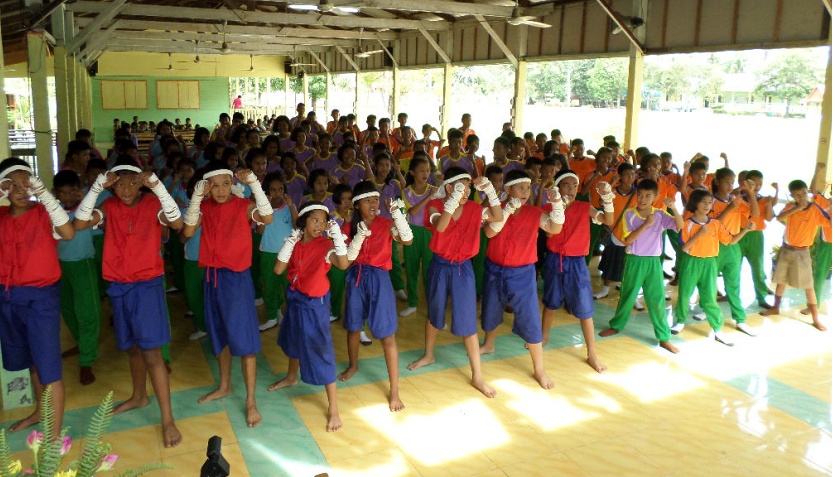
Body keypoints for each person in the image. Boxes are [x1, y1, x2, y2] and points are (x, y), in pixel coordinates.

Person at [73, 156, 183, 447]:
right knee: (133, 348)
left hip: (146, 287)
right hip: (119, 286)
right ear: (112, 185)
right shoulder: (108, 206)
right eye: (120, 184)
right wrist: (97, 188)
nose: (126, 189)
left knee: (152, 353)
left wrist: (158, 187)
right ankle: (139, 396)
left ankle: (168, 419)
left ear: (141, 183)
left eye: (133, 183)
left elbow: (177, 222)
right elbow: (80, 223)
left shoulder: (152, 203)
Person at [181, 161, 275, 428]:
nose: (221, 190)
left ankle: (251, 400)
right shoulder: (204, 207)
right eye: (215, 185)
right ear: (207, 187)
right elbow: (187, 231)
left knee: (245, 340)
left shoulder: (243, 206)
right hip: (212, 278)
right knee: (219, 334)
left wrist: (254, 183)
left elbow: (267, 218)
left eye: (226, 184)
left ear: (232, 184)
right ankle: (224, 385)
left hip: (237, 281)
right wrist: (196, 199)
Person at [406, 167, 503, 398]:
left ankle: (477, 376)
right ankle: (429, 354)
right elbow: (440, 226)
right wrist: (452, 200)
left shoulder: (475, 209)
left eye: (468, 187)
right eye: (461, 186)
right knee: (434, 314)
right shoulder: (435, 206)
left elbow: (498, 217)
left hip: (463, 269)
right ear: (448, 187)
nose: (466, 191)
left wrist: (490, 191)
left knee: (468, 321)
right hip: (439, 266)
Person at [0, 158, 74, 435]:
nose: (21, 190)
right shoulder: (1, 215)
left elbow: (68, 232)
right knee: (31, 359)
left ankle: (53, 440)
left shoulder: (45, 212)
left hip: (41, 300)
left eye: (26, 183)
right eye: (13, 185)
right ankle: (41, 412)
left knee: (49, 367)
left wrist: (43, 193)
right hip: (8, 298)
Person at [479, 169, 564, 388]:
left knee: (530, 318)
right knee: (491, 308)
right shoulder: (495, 209)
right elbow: (489, 233)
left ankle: (539, 369)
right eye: (521, 188)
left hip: (523, 273)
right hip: (494, 268)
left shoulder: (534, 213)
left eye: (528, 188)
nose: (526, 192)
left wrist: (556, 204)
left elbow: (554, 228)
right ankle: (489, 344)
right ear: (508, 189)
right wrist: (506, 211)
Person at [268, 202, 349, 432]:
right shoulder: (294, 243)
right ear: (303, 222)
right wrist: (290, 243)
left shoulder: (326, 245)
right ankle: (291, 376)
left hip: (315, 305)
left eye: (323, 221)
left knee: (322, 350)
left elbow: (343, 264)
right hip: (296, 299)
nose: (320, 225)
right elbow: (278, 270)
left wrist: (337, 238)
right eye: (315, 220)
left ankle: (333, 408)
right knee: (293, 340)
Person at [337, 181, 413, 412]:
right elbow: (345, 260)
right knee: (353, 327)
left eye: (375, 200)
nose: (373, 204)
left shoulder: (387, 224)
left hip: (380, 280)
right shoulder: (348, 227)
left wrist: (398, 216)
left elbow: (407, 240)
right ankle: (353, 365)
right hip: (357, 278)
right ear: (356, 204)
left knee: (387, 335)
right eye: (367, 200)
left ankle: (394, 390)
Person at [598, 179, 683, 353]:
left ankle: (664, 337)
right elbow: (628, 239)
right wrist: (646, 224)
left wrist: (673, 208)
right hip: (634, 260)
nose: (643, 199)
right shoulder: (629, 214)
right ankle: (616, 325)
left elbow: (680, 226)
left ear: (655, 197)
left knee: (657, 299)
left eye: (647, 196)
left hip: (653, 262)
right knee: (627, 295)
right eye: (640, 195)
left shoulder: (660, 214)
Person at [540, 171, 613, 373]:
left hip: (577, 263)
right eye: (566, 185)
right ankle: (544, 337)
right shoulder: (548, 208)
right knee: (551, 301)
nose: (571, 189)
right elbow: (549, 233)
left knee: (584, 307)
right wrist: (558, 208)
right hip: (555, 260)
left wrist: (607, 198)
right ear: (557, 188)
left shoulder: (584, 207)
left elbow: (607, 219)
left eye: (574, 185)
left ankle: (592, 354)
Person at [671, 189, 752, 346]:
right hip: (691, 262)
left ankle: (717, 329)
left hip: (709, 263)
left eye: (709, 202)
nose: (707, 205)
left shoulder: (715, 224)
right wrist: (699, 234)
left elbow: (731, 241)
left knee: (709, 297)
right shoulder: (687, 224)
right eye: (703, 202)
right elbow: (684, 247)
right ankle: (680, 321)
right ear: (695, 203)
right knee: (685, 294)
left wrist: (745, 230)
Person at [760, 180, 830, 331]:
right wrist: (797, 208)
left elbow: (829, 222)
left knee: (808, 286)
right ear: (792, 196)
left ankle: (815, 319)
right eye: (797, 195)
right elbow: (779, 218)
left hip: (802, 252)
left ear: (807, 192)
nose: (801, 197)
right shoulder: (790, 206)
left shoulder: (814, 209)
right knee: (781, 280)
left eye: (803, 193)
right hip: (786, 249)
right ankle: (775, 308)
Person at [53, 170, 101, 385]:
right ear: (55, 193)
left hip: (83, 265)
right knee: (68, 309)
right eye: (62, 193)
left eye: (72, 191)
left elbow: (100, 225)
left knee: (87, 312)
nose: (67, 197)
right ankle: (83, 343)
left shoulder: (87, 209)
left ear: (79, 190)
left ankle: (86, 360)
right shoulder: (52, 211)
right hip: (59, 267)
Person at [709, 168, 759, 336]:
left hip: (733, 245)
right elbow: (713, 224)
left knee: (733, 284)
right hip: (714, 246)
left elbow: (755, 213)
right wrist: (729, 209)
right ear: (717, 181)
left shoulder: (736, 200)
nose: (730, 186)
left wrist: (750, 192)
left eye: (732, 182)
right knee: (709, 283)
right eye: (726, 182)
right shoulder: (710, 201)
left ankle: (740, 319)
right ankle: (709, 313)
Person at [257, 172, 297, 331]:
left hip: (287, 254)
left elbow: (297, 226)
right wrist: (264, 209)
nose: (278, 193)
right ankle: (272, 315)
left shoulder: (288, 207)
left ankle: (291, 314)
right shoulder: (263, 209)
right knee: (269, 285)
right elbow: (260, 231)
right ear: (267, 192)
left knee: (288, 285)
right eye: (273, 190)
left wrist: (292, 206)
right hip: (268, 252)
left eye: (281, 189)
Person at [594, 162, 638, 299]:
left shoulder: (637, 194)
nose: (631, 177)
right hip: (614, 233)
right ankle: (605, 290)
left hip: (630, 235)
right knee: (610, 262)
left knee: (628, 265)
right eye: (627, 175)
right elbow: (601, 202)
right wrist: (610, 185)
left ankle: (626, 291)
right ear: (620, 176)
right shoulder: (613, 192)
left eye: (633, 174)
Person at [401, 154, 438, 317]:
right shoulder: (407, 192)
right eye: (422, 170)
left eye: (428, 170)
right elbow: (412, 211)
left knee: (430, 270)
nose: (426, 174)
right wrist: (429, 196)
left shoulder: (434, 190)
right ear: (412, 172)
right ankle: (413, 303)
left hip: (429, 232)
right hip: (412, 232)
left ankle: (432, 305)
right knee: (411, 268)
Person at [738, 170, 777, 309]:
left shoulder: (764, 200)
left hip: (756, 237)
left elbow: (769, 218)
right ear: (746, 183)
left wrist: (769, 204)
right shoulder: (739, 198)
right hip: (739, 235)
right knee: (734, 268)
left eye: (760, 183)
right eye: (754, 183)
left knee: (758, 268)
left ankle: (761, 297)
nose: (757, 186)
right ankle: (731, 295)